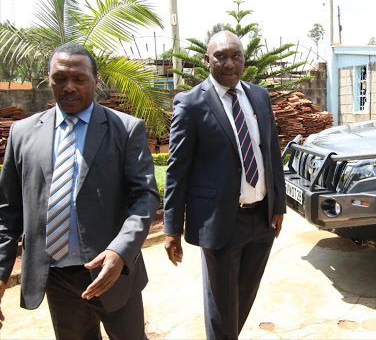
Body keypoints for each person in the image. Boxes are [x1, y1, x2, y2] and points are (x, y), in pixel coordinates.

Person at [0, 43, 160, 339]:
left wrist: (120, 251)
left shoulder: (125, 129)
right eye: (60, 79)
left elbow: (145, 197)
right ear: (48, 79)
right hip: (56, 278)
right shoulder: (23, 134)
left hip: (113, 273)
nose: (69, 87)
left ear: (96, 82)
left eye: (79, 79)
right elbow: (8, 213)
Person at [163, 30, 285, 339]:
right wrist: (171, 228)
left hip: (261, 219)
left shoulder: (259, 96)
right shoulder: (190, 104)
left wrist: (279, 206)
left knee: (243, 298)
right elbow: (177, 170)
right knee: (221, 306)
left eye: (236, 56)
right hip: (219, 221)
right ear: (206, 60)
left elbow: (270, 152)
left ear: (244, 60)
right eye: (220, 56)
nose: (229, 63)